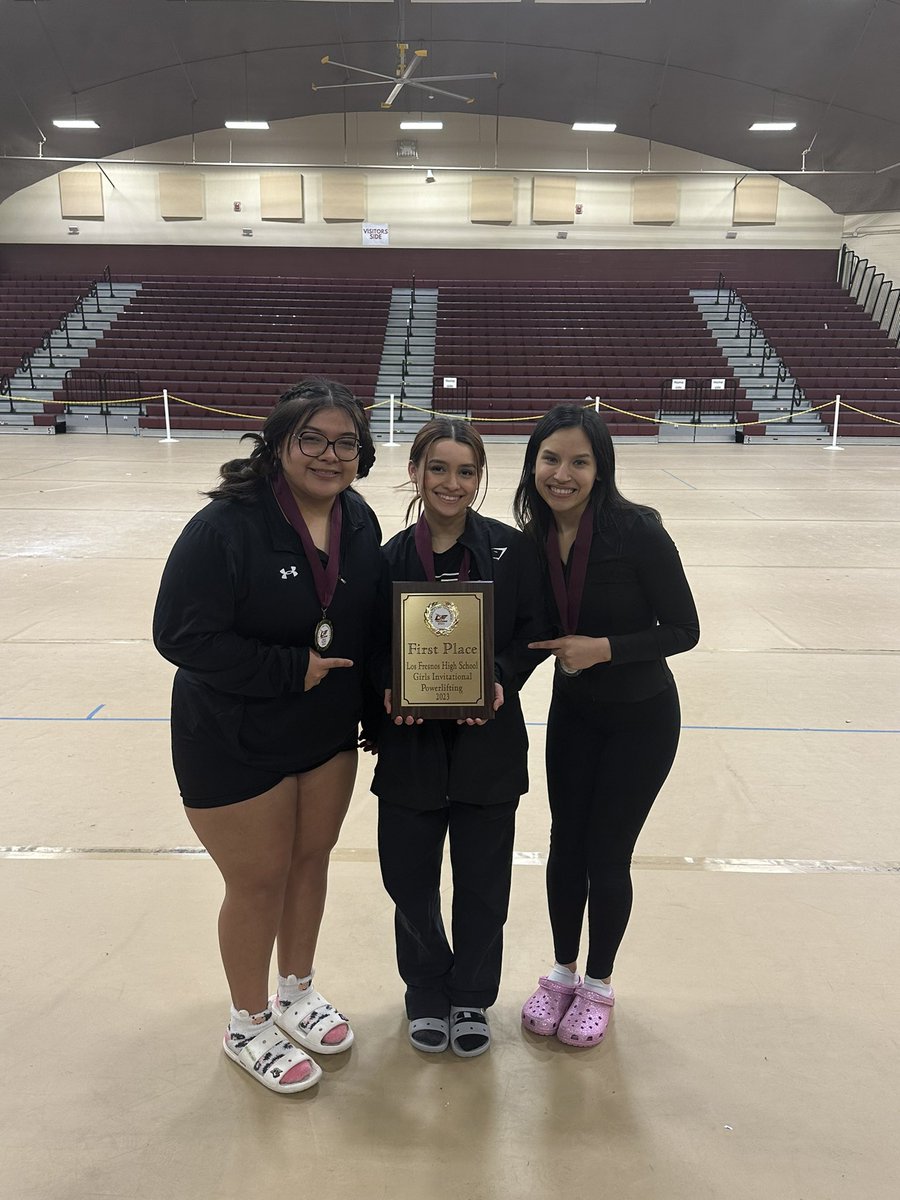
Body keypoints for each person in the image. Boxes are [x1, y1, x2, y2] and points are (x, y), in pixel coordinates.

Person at [153, 378, 386, 1093]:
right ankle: (247, 1023)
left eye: (345, 442)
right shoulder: (226, 526)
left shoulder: (358, 519)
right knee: (257, 881)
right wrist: (289, 668)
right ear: (278, 444)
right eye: (311, 439)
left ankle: (295, 992)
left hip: (324, 729)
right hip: (233, 732)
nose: (329, 455)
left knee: (310, 861)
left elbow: (365, 622)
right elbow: (179, 635)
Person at [513, 404, 699, 1049]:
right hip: (575, 713)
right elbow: (529, 631)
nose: (562, 474)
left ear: (601, 468)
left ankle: (598, 982)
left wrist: (606, 649)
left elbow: (684, 629)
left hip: (641, 718)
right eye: (550, 459)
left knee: (607, 852)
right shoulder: (533, 540)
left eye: (579, 461)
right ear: (533, 464)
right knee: (565, 844)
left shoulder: (636, 530)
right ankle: (562, 971)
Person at [372, 418, 547, 1057]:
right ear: (415, 472)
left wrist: (497, 677)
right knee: (408, 880)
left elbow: (532, 631)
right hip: (411, 747)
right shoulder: (388, 557)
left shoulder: (510, 550)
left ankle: (471, 994)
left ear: (479, 478)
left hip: (488, 744)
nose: (452, 483)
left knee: (483, 884)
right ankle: (425, 987)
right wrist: (389, 687)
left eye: (466, 471)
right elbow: (373, 644)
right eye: (438, 468)